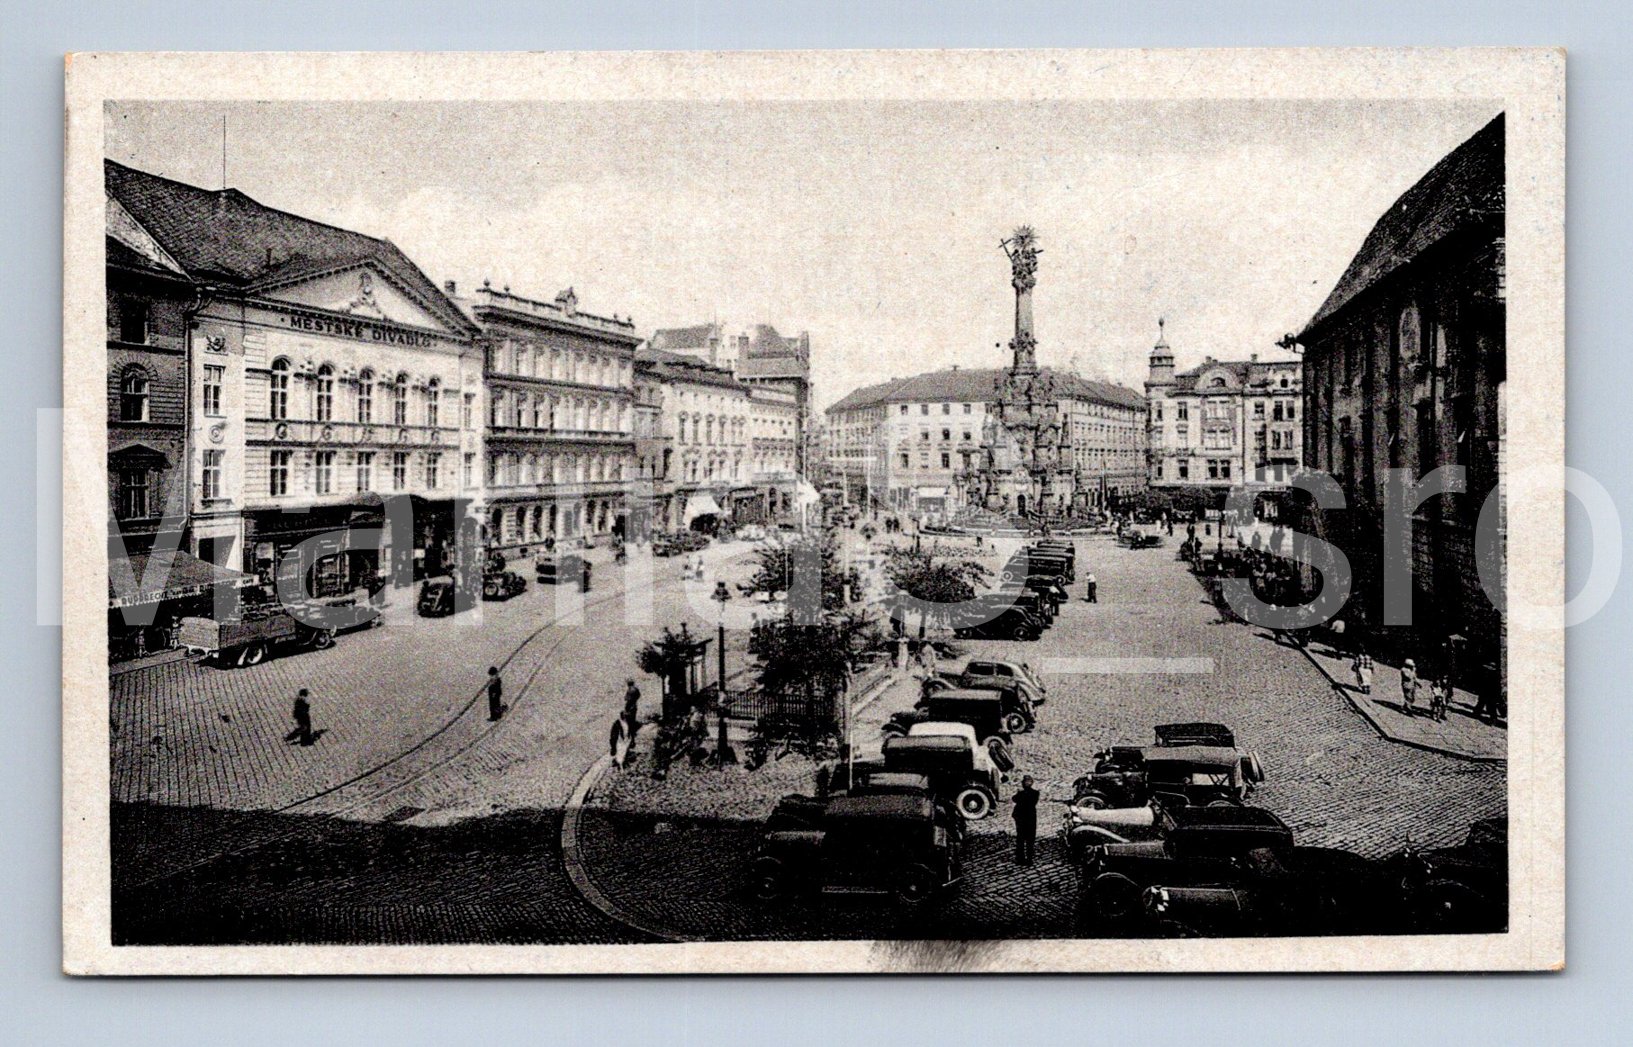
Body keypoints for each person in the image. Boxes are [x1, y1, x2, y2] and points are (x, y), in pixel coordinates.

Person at [1012, 775, 1040, 865]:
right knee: (1030, 839)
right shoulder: (1035, 793)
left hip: (1021, 818)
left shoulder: (1021, 794)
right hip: (1031, 818)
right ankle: (1029, 859)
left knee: (1020, 839)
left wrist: (1018, 793)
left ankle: (1020, 858)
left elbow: (1014, 799)